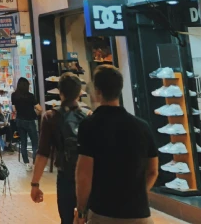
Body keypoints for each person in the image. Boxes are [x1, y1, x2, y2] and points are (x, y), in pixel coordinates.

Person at [75, 65, 158, 224]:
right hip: (140, 215)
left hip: (103, 214)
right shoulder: (142, 126)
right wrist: (139, 194)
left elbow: (84, 173)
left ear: (97, 92)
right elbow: (153, 170)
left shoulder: (89, 126)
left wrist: (81, 210)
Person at [29, 73, 87, 224]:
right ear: (80, 93)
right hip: (88, 177)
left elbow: (42, 154)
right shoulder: (88, 117)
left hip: (66, 178)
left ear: (60, 92)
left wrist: (35, 184)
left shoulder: (50, 117)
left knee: (67, 220)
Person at [11, 77, 42, 171]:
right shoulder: (31, 96)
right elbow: (40, 109)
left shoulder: (14, 95)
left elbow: (14, 110)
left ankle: (27, 164)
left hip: (20, 121)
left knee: (23, 142)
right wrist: (35, 114)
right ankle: (35, 163)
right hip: (30, 121)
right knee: (35, 143)